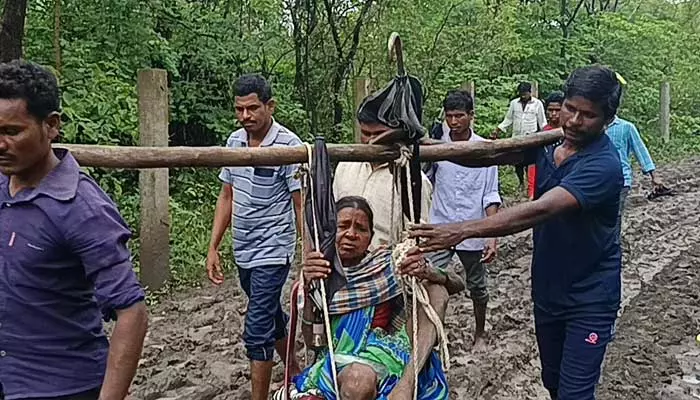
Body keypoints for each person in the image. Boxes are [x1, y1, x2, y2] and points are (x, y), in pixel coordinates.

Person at [410, 65, 624, 400]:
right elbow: (486, 155)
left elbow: (541, 209)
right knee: (553, 383)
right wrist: (421, 144)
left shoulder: (603, 165)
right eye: (570, 108)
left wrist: (462, 230)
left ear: (607, 120)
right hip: (548, 288)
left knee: (575, 394)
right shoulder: (549, 141)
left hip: (590, 296)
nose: (573, 121)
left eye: (588, 116)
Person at [0, 61, 148, 399]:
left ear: (51, 126)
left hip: (61, 386)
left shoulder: (83, 209)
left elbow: (132, 313)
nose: (1, 144)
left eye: (12, 131)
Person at [288, 196, 463, 400]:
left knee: (436, 290)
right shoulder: (320, 272)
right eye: (343, 226)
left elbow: (457, 283)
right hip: (341, 359)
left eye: (360, 229)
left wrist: (429, 272)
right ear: (329, 232)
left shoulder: (387, 264)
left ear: (370, 237)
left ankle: (407, 384)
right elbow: (312, 343)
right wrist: (309, 288)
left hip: (393, 351)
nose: (351, 234)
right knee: (358, 381)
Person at [205, 74, 302, 400]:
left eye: (252, 109)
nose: (245, 116)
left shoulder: (289, 146)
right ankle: (295, 368)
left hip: (274, 249)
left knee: (257, 327)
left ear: (269, 106)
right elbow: (227, 196)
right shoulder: (234, 143)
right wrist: (214, 245)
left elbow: (299, 203)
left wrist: (309, 252)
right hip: (243, 248)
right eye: (239, 109)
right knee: (269, 311)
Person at [427, 90, 500, 350]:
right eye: (449, 116)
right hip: (441, 224)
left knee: (478, 286)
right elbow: (423, 180)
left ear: (471, 116)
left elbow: (491, 196)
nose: (454, 122)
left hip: (473, 228)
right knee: (428, 279)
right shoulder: (435, 145)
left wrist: (491, 236)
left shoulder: (486, 151)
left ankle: (480, 332)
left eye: (459, 116)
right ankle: (431, 336)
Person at [333, 94, 433, 251]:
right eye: (366, 133)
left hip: (387, 266)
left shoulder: (413, 180)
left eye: (379, 134)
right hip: (344, 263)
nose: (372, 141)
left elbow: (419, 236)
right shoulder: (345, 166)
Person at [605, 115, 663, 233]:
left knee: (616, 215)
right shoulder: (594, 127)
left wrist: (654, 175)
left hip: (621, 180)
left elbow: (640, 150)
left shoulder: (626, 127)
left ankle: (614, 245)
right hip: (598, 179)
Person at [491, 82, 547, 193]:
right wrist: (497, 130)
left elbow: (542, 121)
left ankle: (530, 186)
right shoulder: (514, 104)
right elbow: (508, 119)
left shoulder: (537, 104)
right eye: (521, 94)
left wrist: (544, 135)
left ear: (530, 93)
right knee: (518, 163)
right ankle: (521, 183)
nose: (523, 96)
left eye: (525, 93)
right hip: (517, 137)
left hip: (531, 138)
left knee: (530, 162)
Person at [528, 91, 564, 199]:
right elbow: (533, 165)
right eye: (550, 110)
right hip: (543, 189)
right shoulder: (540, 136)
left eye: (557, 110)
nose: (553, 114)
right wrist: (531, 191)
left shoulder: (571, 135)